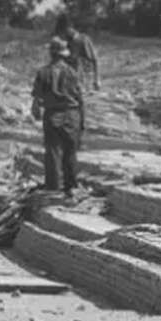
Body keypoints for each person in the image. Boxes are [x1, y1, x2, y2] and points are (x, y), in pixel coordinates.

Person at [31, 36, 85, 198]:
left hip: (52, 114)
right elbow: (80, 98)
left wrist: (38, 112)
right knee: (70, 152)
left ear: (51, 53)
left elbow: (36, 102)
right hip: (71, 114)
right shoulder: (72, 72)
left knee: (53, 151)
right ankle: (70, 186)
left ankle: (53, 187)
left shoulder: (43, 72)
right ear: (63, 54)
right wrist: (82, 119)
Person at [54, 13, 100, 91]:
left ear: (69, 28)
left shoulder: (83, 40)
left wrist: (97, 79)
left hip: (84, 84)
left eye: (63, 31)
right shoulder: (64, 43)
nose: (62, 35)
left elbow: (94, 60)